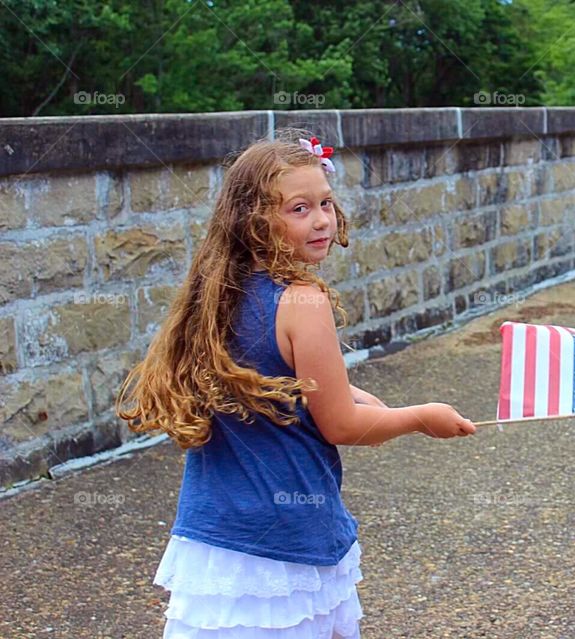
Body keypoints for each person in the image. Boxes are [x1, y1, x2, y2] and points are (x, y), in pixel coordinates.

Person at [116, 130, 476, 638]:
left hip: (216, 546)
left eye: (325, 203)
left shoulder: (214, 295)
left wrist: (344, 390)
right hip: (285, 551)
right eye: (299, 208)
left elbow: (266, 381)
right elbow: (342, 425)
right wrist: (421, 417)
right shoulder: (303, 301)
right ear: (255, 220)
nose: (323, 219)